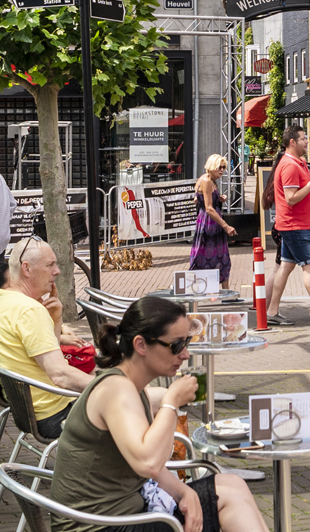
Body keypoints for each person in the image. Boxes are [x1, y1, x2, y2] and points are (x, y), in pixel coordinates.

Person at [49, 297, 267, 532]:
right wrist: (171, 401)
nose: (185, 354)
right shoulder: (116, 389)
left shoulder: (131, 386)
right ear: (141, 345)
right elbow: (148, 462)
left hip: (126, 515)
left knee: (231, 486)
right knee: (230, 496)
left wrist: (182, 490)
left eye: (187, 342)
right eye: (176, 345)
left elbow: (150, 461)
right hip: (101, 526)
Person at [0, 237, 94, 437]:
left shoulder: (1, 302)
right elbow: (60, 374)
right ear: (27, 269)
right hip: (55, 415)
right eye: (50, 265)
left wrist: (56, 320)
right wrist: (112, 387)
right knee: (144, 400)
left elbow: (44, 358)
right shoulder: (29, 310)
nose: (57, 271)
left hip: (32, 414)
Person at [265, 126, 310, 326]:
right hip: (293, 225)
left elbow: (302, 199)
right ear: (293, 142)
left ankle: (272, 311)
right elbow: (291, 199)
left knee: (286, 265)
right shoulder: (290, 165)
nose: (307, 141)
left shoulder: (297, 162)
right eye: (303, 138)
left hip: (296, 224)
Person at [189, 155, 236, 287]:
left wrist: (219, 198)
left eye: (223, 167)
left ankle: (226, 293)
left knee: (219, 258)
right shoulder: (207, 181)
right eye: (219, 167)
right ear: (211, 167)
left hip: (209, 223)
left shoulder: (208, 180)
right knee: (212, 258)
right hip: (209, 224)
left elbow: (199, 199)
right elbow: (209, 208)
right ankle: (180, 287)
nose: (221, 170)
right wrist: (226, 226)